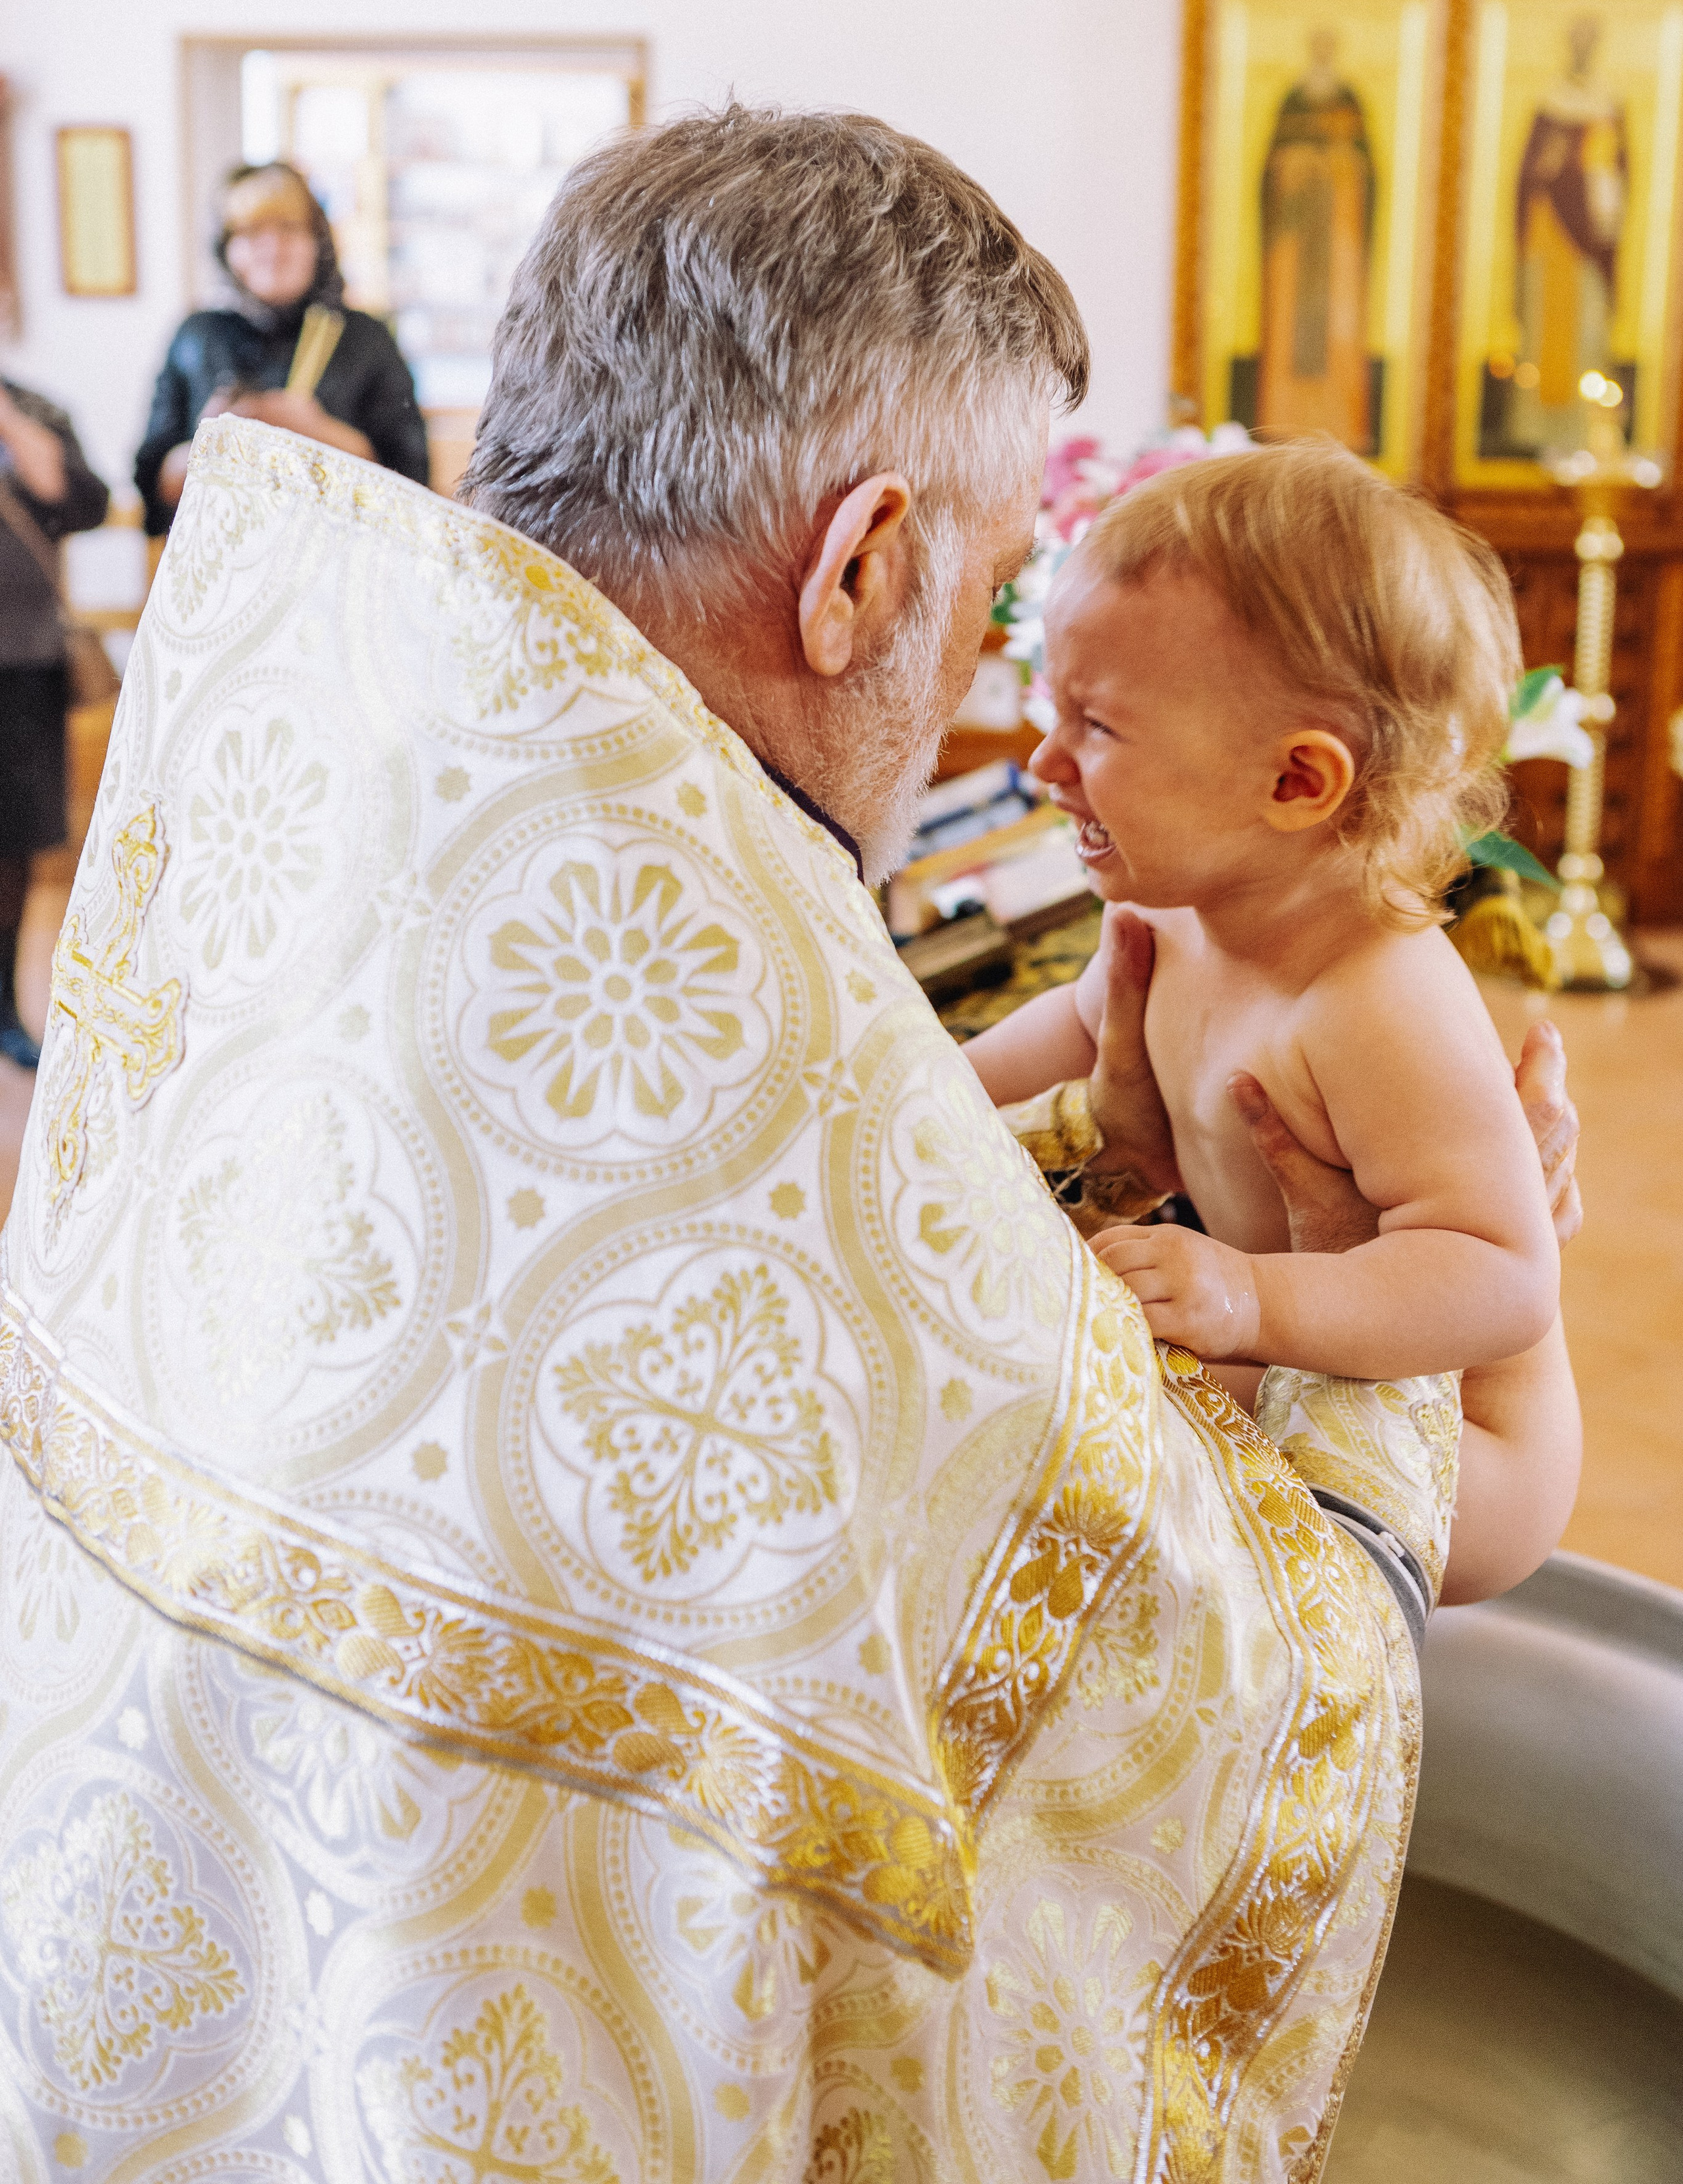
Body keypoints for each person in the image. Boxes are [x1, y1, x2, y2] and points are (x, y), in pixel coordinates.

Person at [0, 110, 1580, 2184]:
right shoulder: (735, 1047)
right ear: (858, 570)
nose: (994, 705)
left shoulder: (344, 768)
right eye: (994, 589)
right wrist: (1423, 1302)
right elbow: (1190, 1701)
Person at [964, 438, 1579, 1597]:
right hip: (1283, 1358)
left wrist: (1253, 1299)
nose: (1046, 761)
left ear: (1297, 783)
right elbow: (1061, 1039)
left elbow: (1502, 1272)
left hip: (1465, 1452)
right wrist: (912, 1088)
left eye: (1096, 725)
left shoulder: (1379, 998)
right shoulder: (1182, 919)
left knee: (1082, 1423)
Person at [133, 158, 429, 530]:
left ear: (317, 241)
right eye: (252, 231)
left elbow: (412, 484)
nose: (272, 248)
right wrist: (211, 440)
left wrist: (315, 430)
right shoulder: (198, 336)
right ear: (226, 248)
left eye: (289, 229)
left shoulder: (365, 337)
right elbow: (152, 488)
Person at [0, 377, 109, 1068]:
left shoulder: (34, 406)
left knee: (16, 840)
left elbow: (79, 502)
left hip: (24, 657)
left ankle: (4, 1008)